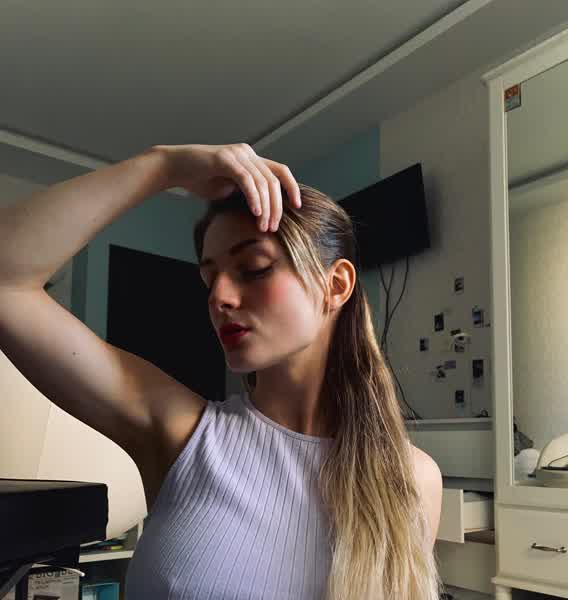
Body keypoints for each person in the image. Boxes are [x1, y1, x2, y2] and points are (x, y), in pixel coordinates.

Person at [0, 142, 443, 599]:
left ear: (336, 284)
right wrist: (164, 165)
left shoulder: (413, 481)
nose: (219, 298)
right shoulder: (180, 432)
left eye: (253, 268)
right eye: (210, 279)